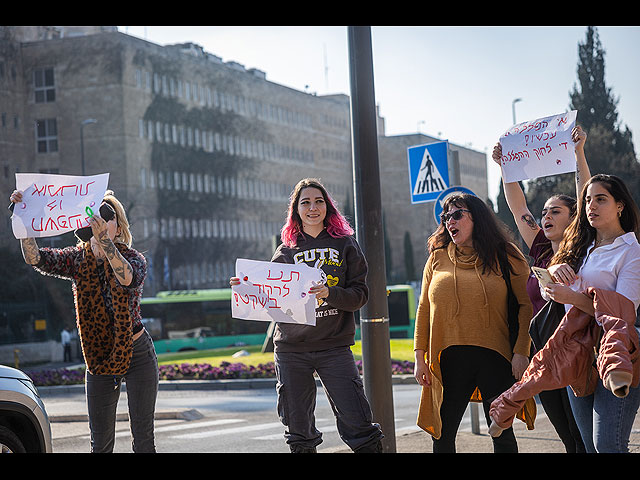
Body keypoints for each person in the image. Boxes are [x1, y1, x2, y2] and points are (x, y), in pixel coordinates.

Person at [230, 178, 384, 453]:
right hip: (291, 350)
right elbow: (272, 302)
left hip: (334, 347)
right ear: (296, 210)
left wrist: (329, 293)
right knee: (298, 432)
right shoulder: (286, 250)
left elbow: (360, 296)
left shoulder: (346, 244)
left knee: (360, 425)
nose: (313, 207)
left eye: (318, 201)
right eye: (305, 202)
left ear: (328, 207)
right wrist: (247, 289)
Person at [489, 174, 640, 453]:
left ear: (620, 206)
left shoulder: (632, 251)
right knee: (585, 446)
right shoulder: (581, 248)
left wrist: (574, 297)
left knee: (606, 444)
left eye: (600, 199)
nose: (591, 205)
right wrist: (556, 271)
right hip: (574, 351)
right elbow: (550, 291)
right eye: (587, 200)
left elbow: (625, 309)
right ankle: (503, 409)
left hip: (615, 348)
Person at [10, 189, 158, 453]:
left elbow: (127, 279)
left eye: (106, 216)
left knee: (144, 441)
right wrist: (24, 220)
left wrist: (107, 245)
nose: (99, 221)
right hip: (99, 356)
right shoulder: (77, 259)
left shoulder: (134, 258)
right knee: (100, 445)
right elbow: (36, 259)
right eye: (94, 216)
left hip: (137, 353)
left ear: (119, 225)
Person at [490, 125, 588, 453]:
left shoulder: (582, 248)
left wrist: (578, 152)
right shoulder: (541, 248)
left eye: (554, 211)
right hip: (544, 357)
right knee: (568, 439)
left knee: (586, 439)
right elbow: (519, 207)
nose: (545, 216)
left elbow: (584, 190)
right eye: (543, 212)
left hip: (579, 354)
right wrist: (507, 168)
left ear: (574, 218)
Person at [413, 193, 534, 453]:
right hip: (449, 360)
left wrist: (521, 351)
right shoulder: (437, 258)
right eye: (446, 217)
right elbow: (423, 309)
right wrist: (419, 357)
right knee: (442, 436)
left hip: (496, 358)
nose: (449, 221)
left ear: (476, 218)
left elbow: (527, 304)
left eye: (457, 214)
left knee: (501, 431)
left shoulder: (506, 254)